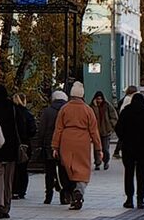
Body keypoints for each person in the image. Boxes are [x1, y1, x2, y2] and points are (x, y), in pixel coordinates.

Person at [53, 82, 104, 211]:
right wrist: (99, 148)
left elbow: (58, 129)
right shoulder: (88, 110)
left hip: (66, 140)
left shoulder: (64, 109)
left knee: (68, 167)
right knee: (82, 168)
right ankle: (79, 190)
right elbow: (94, 131)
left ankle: (71, 192)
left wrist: (55, 147)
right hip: (82, 141)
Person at [115, 91, 144, 208]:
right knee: (142, 174)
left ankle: (129, 199)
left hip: (128, 148)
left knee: (129, 173)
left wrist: (123, 139)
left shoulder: (126, 111)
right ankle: (141, 199)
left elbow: (118, 128)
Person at [0, 83, 22, 218]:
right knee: (8, 180)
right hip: (10, 149)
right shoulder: (13, 107)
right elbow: (21, 126)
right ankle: (6, 205)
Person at [35, 89, 66, 204]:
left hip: (49, 145)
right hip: (63, 145)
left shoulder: (47, 111)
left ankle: (48, 196)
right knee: (63, 171)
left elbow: (42, 129)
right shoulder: (67, 110)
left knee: (49, 172)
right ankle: (64, 196)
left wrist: (40, 143)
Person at [12, 93, 36, 200]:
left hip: (13, 144)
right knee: (23, 169)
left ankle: (14, 190)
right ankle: (22, 191)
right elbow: (33, 130)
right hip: (25, 145)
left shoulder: (11, 113)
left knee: (14, 169)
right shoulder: (28, 114)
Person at [91, 91, 119, 171]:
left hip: (106, 130)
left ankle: (106, 162)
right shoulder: (92, 107)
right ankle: (97, 163)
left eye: (100, 99)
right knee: (97, 149)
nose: (99, 100)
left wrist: (111, 125)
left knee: (105, 149)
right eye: (97, 99)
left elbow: (114, 117)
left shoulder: (107, 106)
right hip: (96, 131)